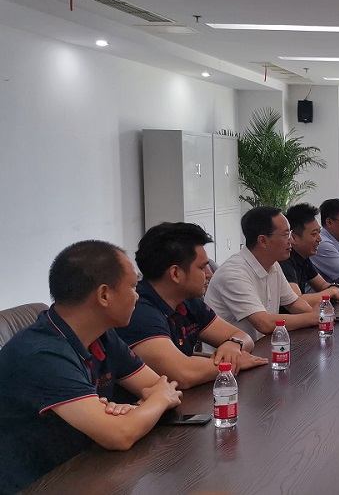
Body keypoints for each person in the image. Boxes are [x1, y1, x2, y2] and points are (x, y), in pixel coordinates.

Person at [0, 241, 182, 491]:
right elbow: (121, 434)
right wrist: (156, 401)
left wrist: (133, 410)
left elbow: (158, 385)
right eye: (132, 287)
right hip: (39, 485)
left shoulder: (102, 335)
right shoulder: (42, 354)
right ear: (104, 295)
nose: (137, 295)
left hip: (88, 469)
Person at [118, 223, 266, 392]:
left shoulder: (188, 301)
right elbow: (182, 374)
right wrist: (233, 362)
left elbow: (242, 337)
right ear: (175, 274)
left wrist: (233, 344)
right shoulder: (139, 311)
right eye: (202, 267)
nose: (209, 273)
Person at [205, 206, 318, 338]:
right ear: (263, 241)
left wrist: (316, 314)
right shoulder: (233, 274)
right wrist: (311, 318)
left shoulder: (273, 265)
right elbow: (264, 323)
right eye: (286, 235)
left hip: (265, 345)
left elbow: (293, 303)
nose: (291, 240)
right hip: (234, 350)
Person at [281, 203, 339, 306]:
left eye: (319, 233)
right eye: (314, 234)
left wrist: (333, 289)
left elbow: (322, 285)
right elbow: (297, 300)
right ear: (293, 238)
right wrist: (332, 292)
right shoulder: (285, 260)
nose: (319, 239)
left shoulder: (303, 257)